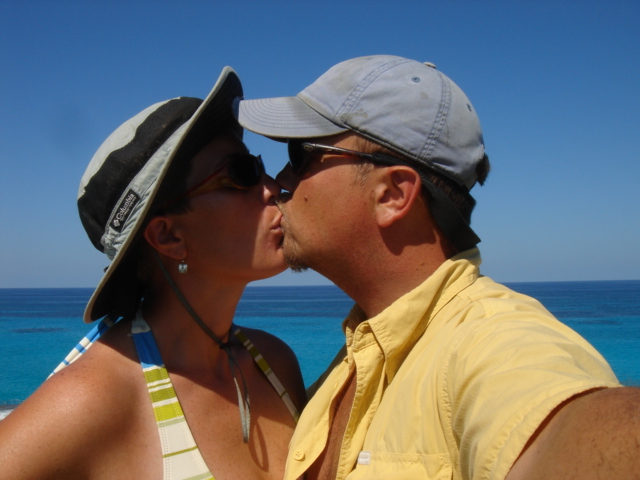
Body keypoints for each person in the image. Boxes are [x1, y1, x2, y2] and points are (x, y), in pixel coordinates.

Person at [235, 55, 640, 479]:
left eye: (300, 154)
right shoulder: (352, 358)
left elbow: (568, 426)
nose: (279, 180)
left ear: (392, 194)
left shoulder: (493, 342)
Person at [0, 67, 306, 479]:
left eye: (257, 165)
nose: (272, 187)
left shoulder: (275, 362)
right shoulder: (93, 399)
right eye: (241, 174)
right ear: (168, 236)